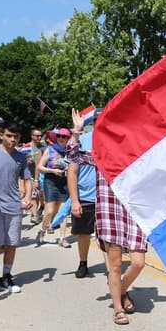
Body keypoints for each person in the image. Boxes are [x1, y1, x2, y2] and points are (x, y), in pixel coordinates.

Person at [67, 115, 147, 325]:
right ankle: (118, 308)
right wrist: (76, 132)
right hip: (109, 214)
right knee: (116, 266)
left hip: (133, 215)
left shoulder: (136, 155)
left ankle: (121, 290)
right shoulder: (99, 156)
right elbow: (73, 156)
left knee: (138, 263)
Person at [0, 122, 32, 294]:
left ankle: (6, 276)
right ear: (2, 135)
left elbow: (26, 179)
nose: (12, 139)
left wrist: (27, 197)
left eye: (16, 137)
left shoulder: (21, 157)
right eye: (9, 136)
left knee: (12, 243)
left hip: (14, 205)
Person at [67, 109, 98, 279]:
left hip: (105, 199)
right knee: (84, 234)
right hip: (85, 196)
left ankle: (112, 272)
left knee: (107, 238)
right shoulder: (83, 140)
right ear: (94, 122)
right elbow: (72, 173)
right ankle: (83, 263)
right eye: (98, 120)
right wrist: (74, 201)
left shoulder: (114, 140)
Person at [36, 128, 72, 247]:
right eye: (59, 136)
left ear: (68, 139)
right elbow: (40, 167)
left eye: (64, 137)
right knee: (50, 211)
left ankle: (62, 238)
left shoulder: (71, 151)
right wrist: (52, 170)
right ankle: (42, 230)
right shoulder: (50, 149)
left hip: (65, 182)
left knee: (63, 212)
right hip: (51, 181)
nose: (61, 138)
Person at [27, 128, 46, 224]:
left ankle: (40, 208)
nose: (39, 137)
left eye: (40, 136)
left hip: (42, 176)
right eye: (37, 136)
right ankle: (34, 215)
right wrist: (27, 161)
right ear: (32, 136)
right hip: (30, 175)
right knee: (34, 195)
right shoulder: (27, 147)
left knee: (40, 195)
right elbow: (19, 162)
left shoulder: (44, 147)